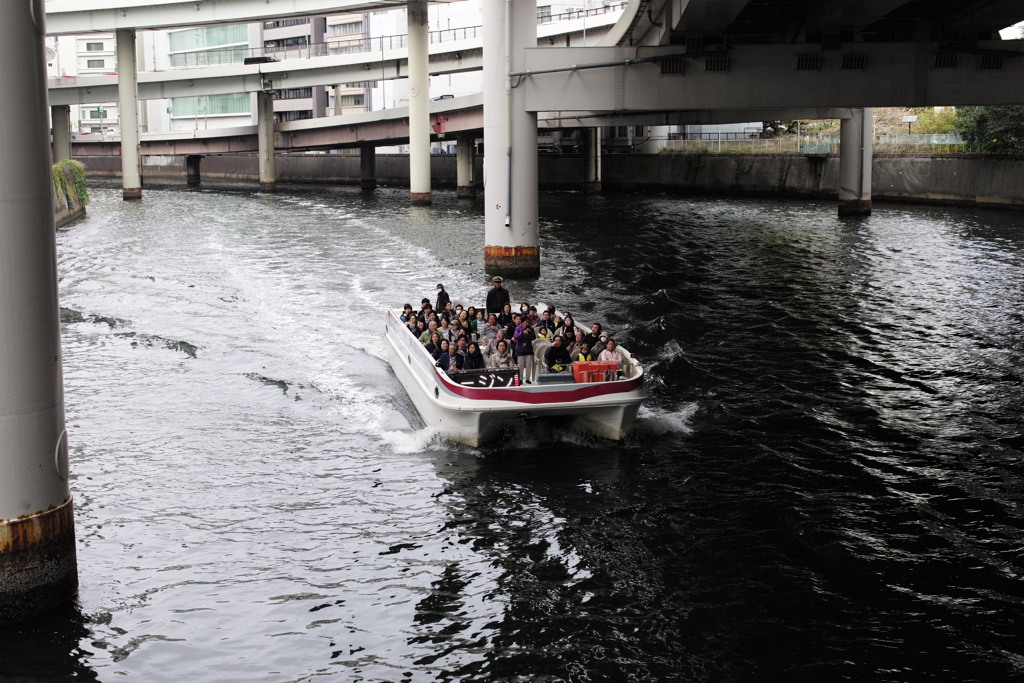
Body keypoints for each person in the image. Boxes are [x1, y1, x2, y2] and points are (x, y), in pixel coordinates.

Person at [512, 316, 537, 382]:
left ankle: (527, 378)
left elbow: (534, 337)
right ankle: (520, 378)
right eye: (526, 322)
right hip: (520, 348)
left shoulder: (530, 328)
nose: (527, 323)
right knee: (521, 364)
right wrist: (522, 333)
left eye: (528, 322)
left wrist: (530, 332)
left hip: (528, 348)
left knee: (528, 364)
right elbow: (516, 337)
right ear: (522, 322)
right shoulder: (518, 328)